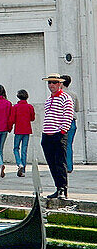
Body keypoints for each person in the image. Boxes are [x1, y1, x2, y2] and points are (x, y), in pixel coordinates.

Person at [41, 73, 74, 202]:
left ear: (59, 84)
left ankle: (63, 189)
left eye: (54, 82)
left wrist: (63, 130)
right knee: (52, 163)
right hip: (47, 135)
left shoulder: (66, 98)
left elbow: (68, 115)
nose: (51, 85)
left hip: (58, 135)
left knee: (60, 163)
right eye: (49, 83)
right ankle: (57, 187)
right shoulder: (49, 99)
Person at [8, 89, 35, 177]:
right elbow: (32, 118)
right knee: (24, 150)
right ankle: (23, 169)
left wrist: (9, 128)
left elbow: (12, 119)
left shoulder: (15, 107)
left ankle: (19, 164)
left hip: (18, 130)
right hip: (27, 130)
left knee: (16, 148)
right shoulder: (30, 107)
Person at [61, 75, 79, 174]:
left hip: (62, 121)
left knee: (61, 145)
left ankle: (63, 165)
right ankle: (69, 166)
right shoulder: (74, 94)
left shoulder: (60, 95)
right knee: (69, 145)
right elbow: (77, 108)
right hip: (72, 121)